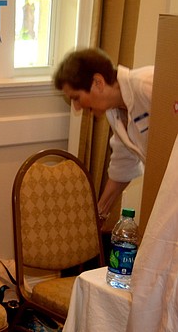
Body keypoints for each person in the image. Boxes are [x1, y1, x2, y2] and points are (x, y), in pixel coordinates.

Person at [52, 48, 153, 222]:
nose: (76, 107)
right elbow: (123, 163)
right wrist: (99, 214)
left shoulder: (148, 84)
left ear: (98, 82)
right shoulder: (114, 112)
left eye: (76, 98)